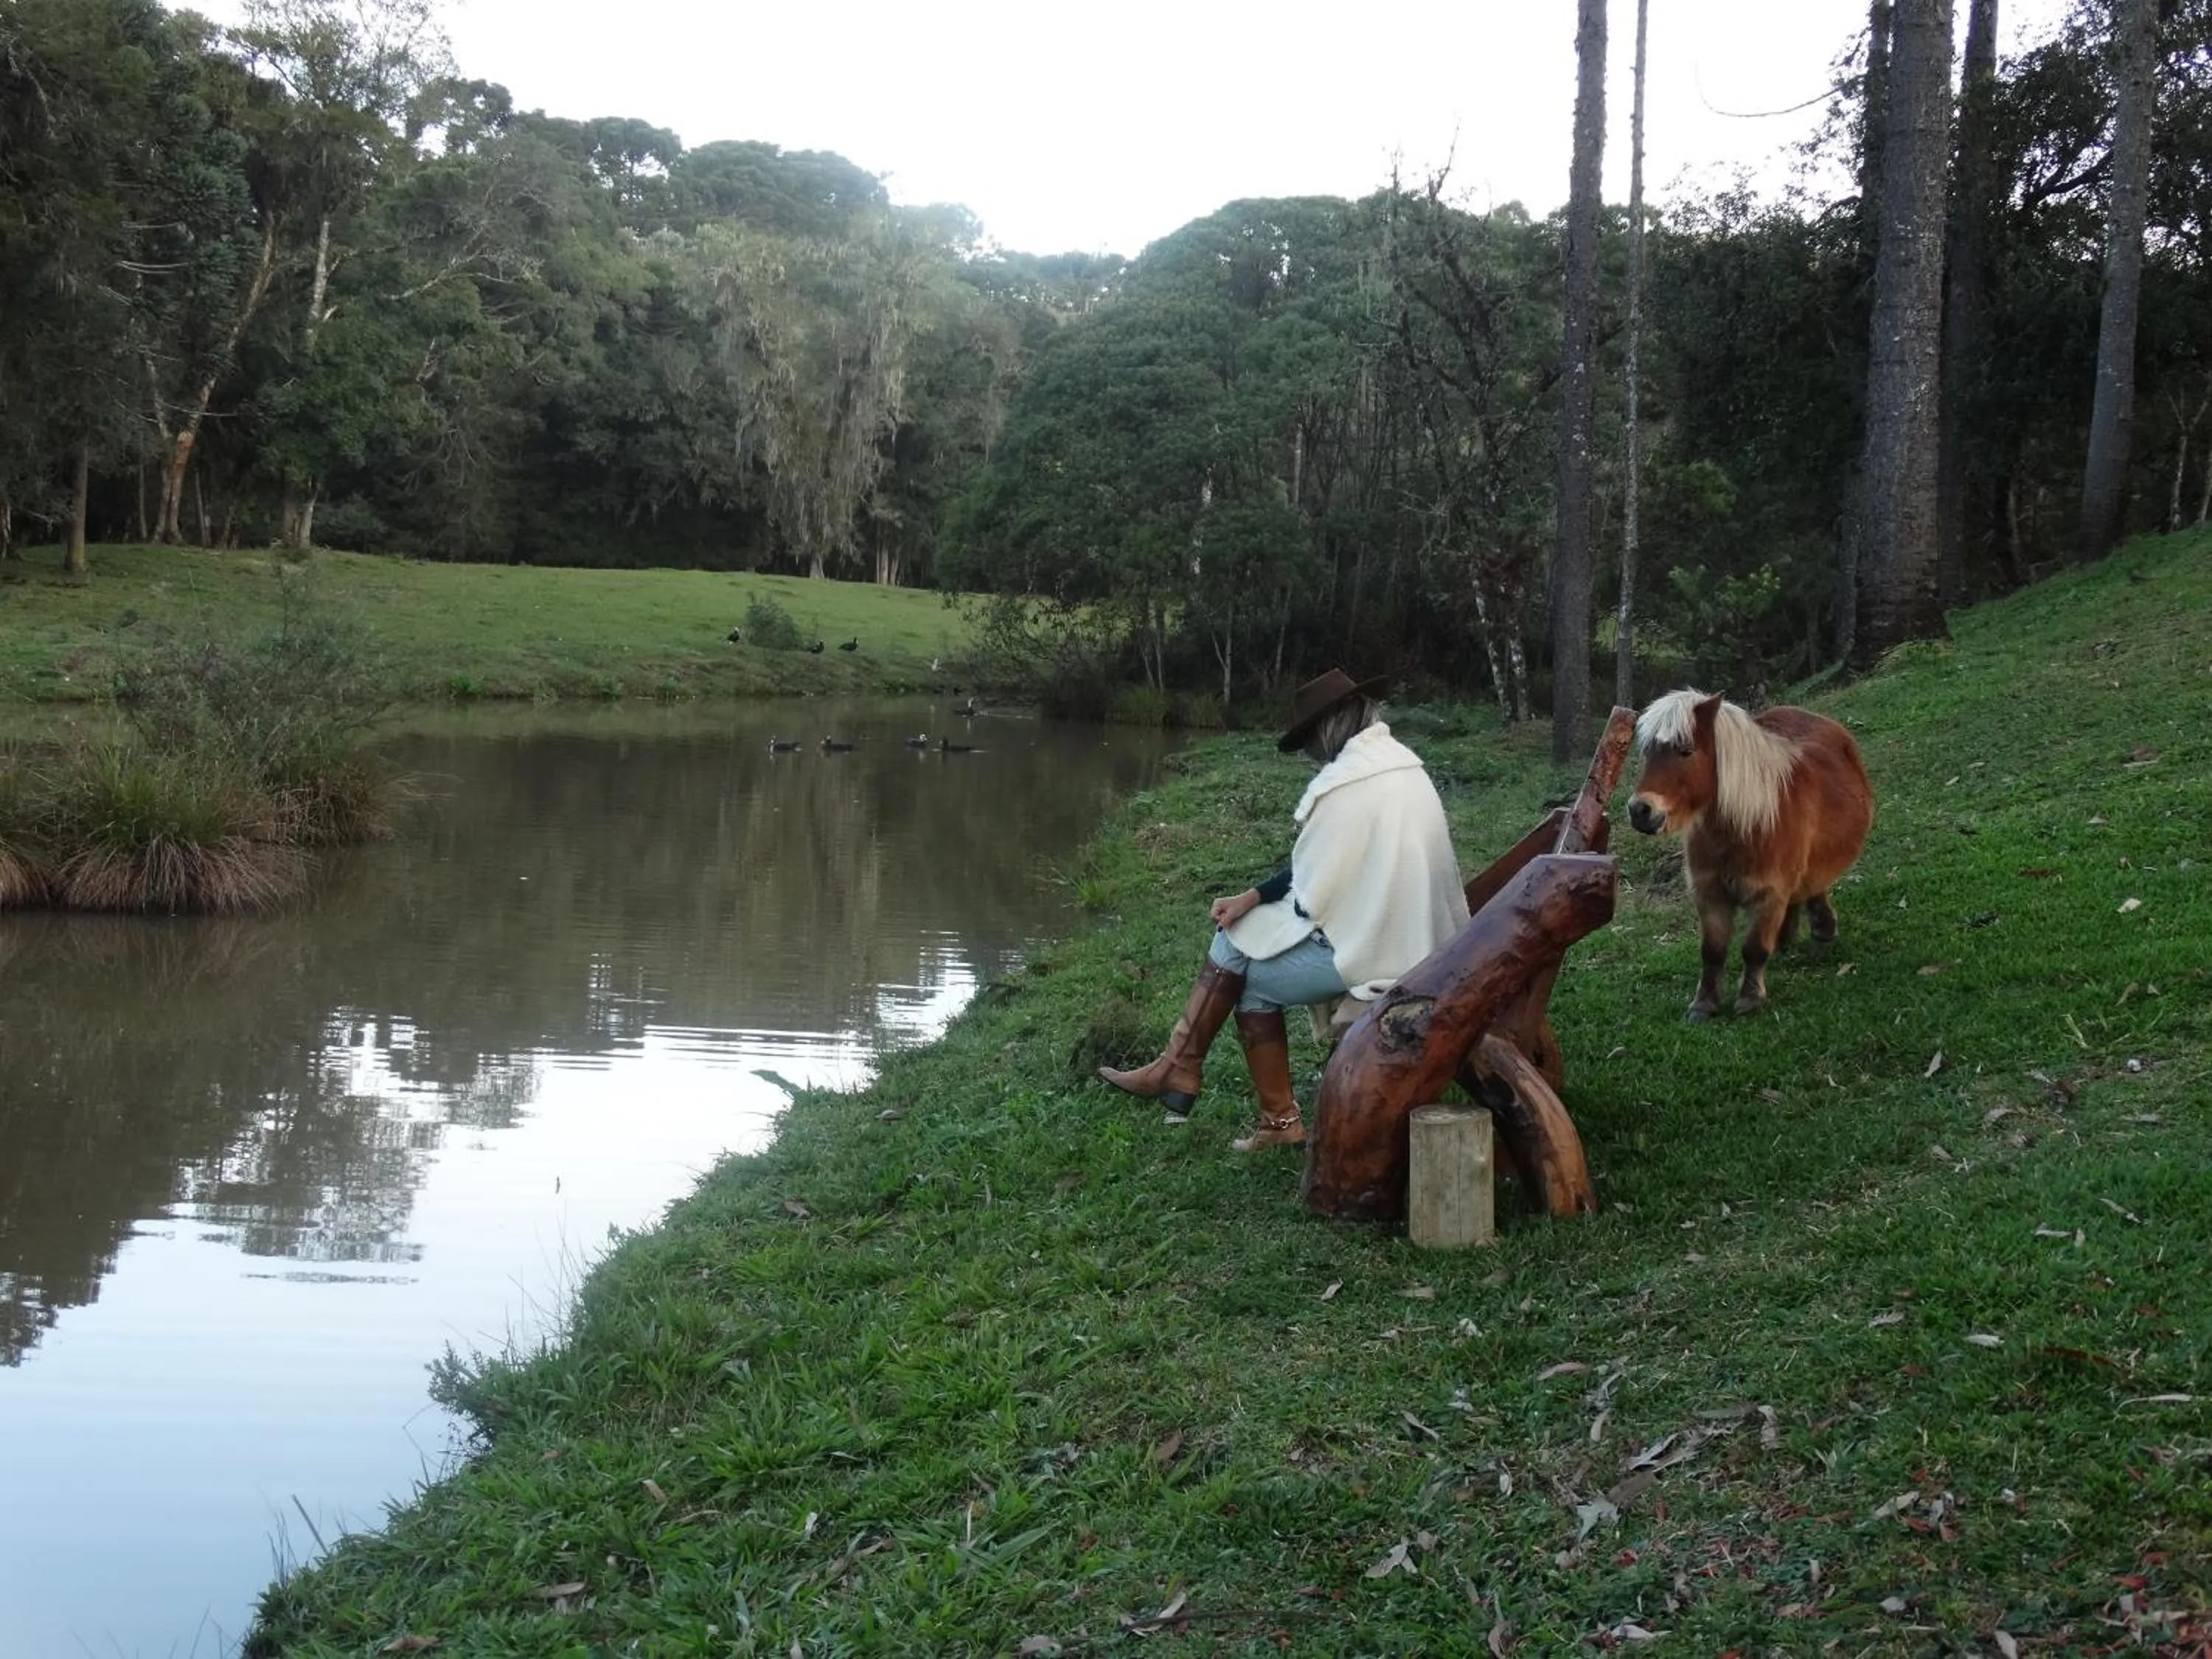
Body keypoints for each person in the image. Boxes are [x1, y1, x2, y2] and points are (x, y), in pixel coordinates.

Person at [1097, 669, 1470, 1150]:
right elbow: (1325, 867)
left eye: (1312, 740)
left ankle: (1219, 1088)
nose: (1314, 755)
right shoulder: (1397, 766)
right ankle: (1185, 1071)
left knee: (1243, 975)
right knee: (1239, 936)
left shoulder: (1351, 784)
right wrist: (1252, 897)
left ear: (1329, 726)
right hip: (1420, 937)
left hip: (1385, 955)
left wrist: (1260, 910)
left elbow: (1312, 895)